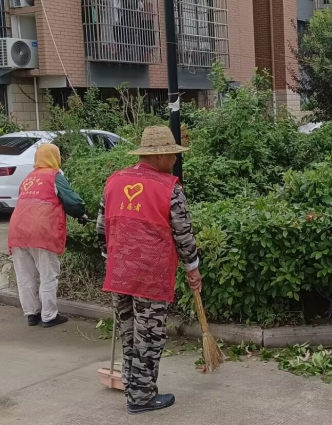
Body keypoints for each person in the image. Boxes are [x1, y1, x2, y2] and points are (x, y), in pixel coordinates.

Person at [97, 126, 202, 415]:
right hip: (150, 275)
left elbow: (102, 228)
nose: (175, 160)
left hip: (119, 273)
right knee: (149, 337)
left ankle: (132, 386)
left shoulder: (114, 181)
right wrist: (192, 268)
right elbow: (183, 234)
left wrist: (110, 257)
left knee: (129, 334)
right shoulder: (170, 188)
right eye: (172, 155)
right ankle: (141, 398)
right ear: (159, 156)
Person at [8, 144, 88, 327]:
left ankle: (31, 314)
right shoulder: (54, 175)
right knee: (48, 275)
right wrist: (80, 214)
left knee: (25, 276)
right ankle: (49, 316)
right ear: (55, 157)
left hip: (17, 231)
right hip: (42, 231)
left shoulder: (28, 178)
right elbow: (72, 201)